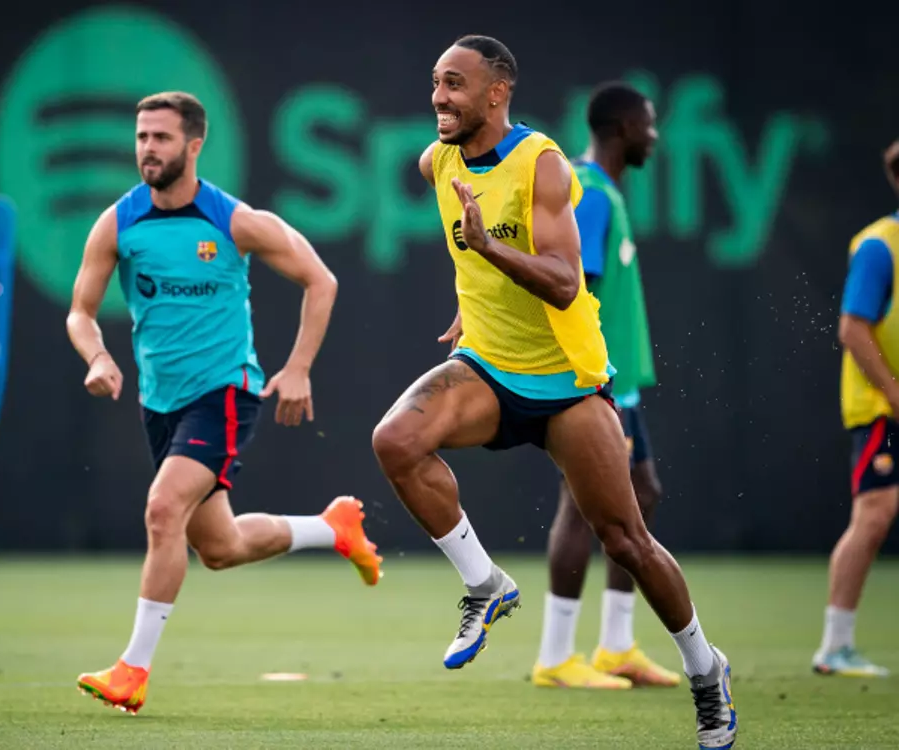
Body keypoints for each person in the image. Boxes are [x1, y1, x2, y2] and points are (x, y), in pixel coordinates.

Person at [370, 36, 736, 747]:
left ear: (498, 93)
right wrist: (471, 294)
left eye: (455, 84)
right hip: (487, 366)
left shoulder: (542, 163)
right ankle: (484, 585)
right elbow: (465, 246)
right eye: (436, 83)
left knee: (627, 541)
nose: (440, 97)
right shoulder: (435, 160)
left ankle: (704, 669)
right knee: (396, 440)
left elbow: (567, 281)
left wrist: (488, 250)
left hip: (567, 382)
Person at [66, 91, 383, 715]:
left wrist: (297, 368)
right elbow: (80, 312)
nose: (147, 149)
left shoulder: (235, 220)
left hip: (225, 393)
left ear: (194, 145)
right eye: (141, 138)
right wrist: (98, 357)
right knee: (220, 547)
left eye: (160, 138)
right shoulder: (118, 222)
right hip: (160, 403)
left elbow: (323, 280)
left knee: (163, 510)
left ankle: (133, 670)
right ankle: (333, 529)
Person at [532, 82, 679, 689]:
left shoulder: (605, 193)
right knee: (584, 504)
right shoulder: (588, 193)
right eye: (648, 124)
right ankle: (556, 656)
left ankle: (616, 645)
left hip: (616, 383)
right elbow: (574, 290)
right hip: (594, 383)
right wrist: (589, 386)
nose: (655, 134)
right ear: (622, 128)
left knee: (640, 496)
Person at [813, 138, 899, 679]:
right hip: (881, 407)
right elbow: (853, 327)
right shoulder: (879, 245)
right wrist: (892, 392)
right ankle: (834, 645)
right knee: (875, 513)